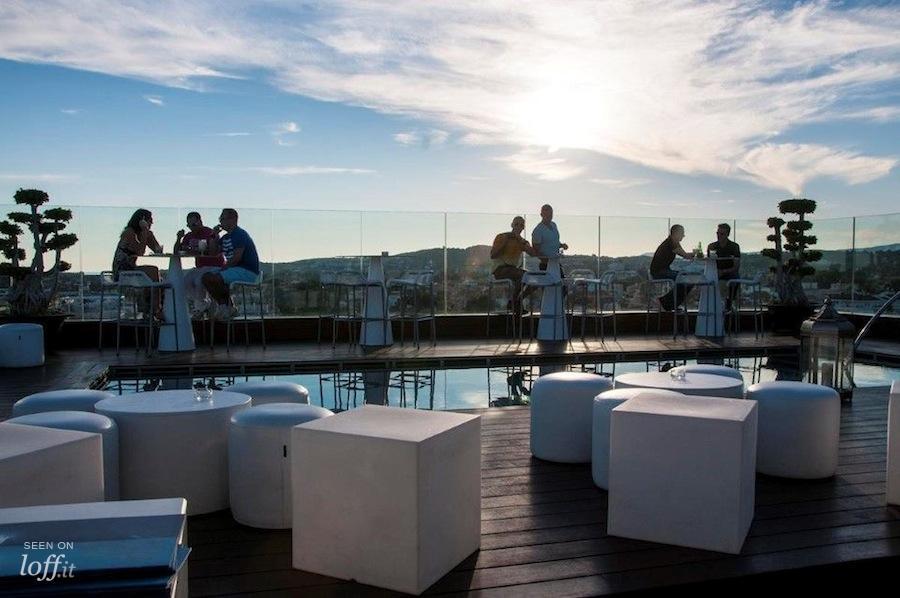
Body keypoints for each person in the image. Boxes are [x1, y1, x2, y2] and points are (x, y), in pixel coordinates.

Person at [202, 208, 260, 320]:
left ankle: (227, 307)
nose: (220, 221)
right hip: (234, 269)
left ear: (233, 219)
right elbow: (213, 253)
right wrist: (214, 236)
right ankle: (226, 306)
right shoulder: (225, 237)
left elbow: (237, 257)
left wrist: (223, 269)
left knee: (215, 278)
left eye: (222, 218)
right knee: (206, 278)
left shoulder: (240, 234)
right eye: (220, 219)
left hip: (246, 270)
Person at [111, 209, 163, 316]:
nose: (152, 223)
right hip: (122, 269)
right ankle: (155, 309)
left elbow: (157, 250)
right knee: (153, 272)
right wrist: (145, 231)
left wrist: (149, 235)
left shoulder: (145, 233)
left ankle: (149, 309)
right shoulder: (129, 232)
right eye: (150, 220)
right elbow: (140, 251)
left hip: (131, 267)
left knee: (153, 276)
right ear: (142, 220)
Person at [174, 212, 224, 318]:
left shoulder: (210, 233)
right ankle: (204, 304)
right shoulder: (189, 236)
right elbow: (176, 252)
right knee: (184, 283)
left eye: (194, 225)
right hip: (200, 267)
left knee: (199, 281)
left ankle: (200, 308)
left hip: (215, 265)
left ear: (200, 222)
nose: (192, 228)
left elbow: (214, 252)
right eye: (189, 225)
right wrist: (179, 238)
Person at [491, 216, 538, 310]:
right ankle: (514, 303)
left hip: (514, 270)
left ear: (523, 228)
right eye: (516, 224)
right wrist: (504, 242)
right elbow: (493, 255)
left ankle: (516, 301)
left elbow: (533, 253)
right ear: (512, 225)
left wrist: (520, 240)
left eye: (521, 225)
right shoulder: (502, 236)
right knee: (523, 275)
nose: (518, 227)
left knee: (536, 280)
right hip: (500, 270)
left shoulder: (522, 242)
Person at [650, 224, 695, 311]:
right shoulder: (672, 243)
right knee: (685, 279)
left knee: (687, 278)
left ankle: (668, 303)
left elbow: (685, 255)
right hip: (659, 272)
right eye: (682, 233)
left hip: (661, 270)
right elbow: (685, 255)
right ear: (675, 233)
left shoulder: (672, 242)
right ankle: (666, 303)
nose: (683, 235)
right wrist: (696, 254)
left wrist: (693, 255)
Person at [707, 222, 741, 312]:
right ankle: (710, 303)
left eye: (722, 234)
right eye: (718, 233)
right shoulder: (712, 246)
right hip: (715, 271)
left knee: (735, 280)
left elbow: (736, 266)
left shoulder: (734, 246)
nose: (719, 236)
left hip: (729, 271)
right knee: (707, 282)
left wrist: (723, 271)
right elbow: (709, 262)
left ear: (727, 234)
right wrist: (716, 272)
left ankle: (729, 303)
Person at [531, 204, 569, 272]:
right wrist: (547, 261)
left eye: (550, 214)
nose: (549, 216)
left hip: (556, 263)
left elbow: (554, 241)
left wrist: (561, 245)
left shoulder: (554, 225)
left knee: (561, 281)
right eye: (546, 214)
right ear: (541, 214)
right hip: (546, 265)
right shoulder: (538, 230)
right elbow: (536, 250)